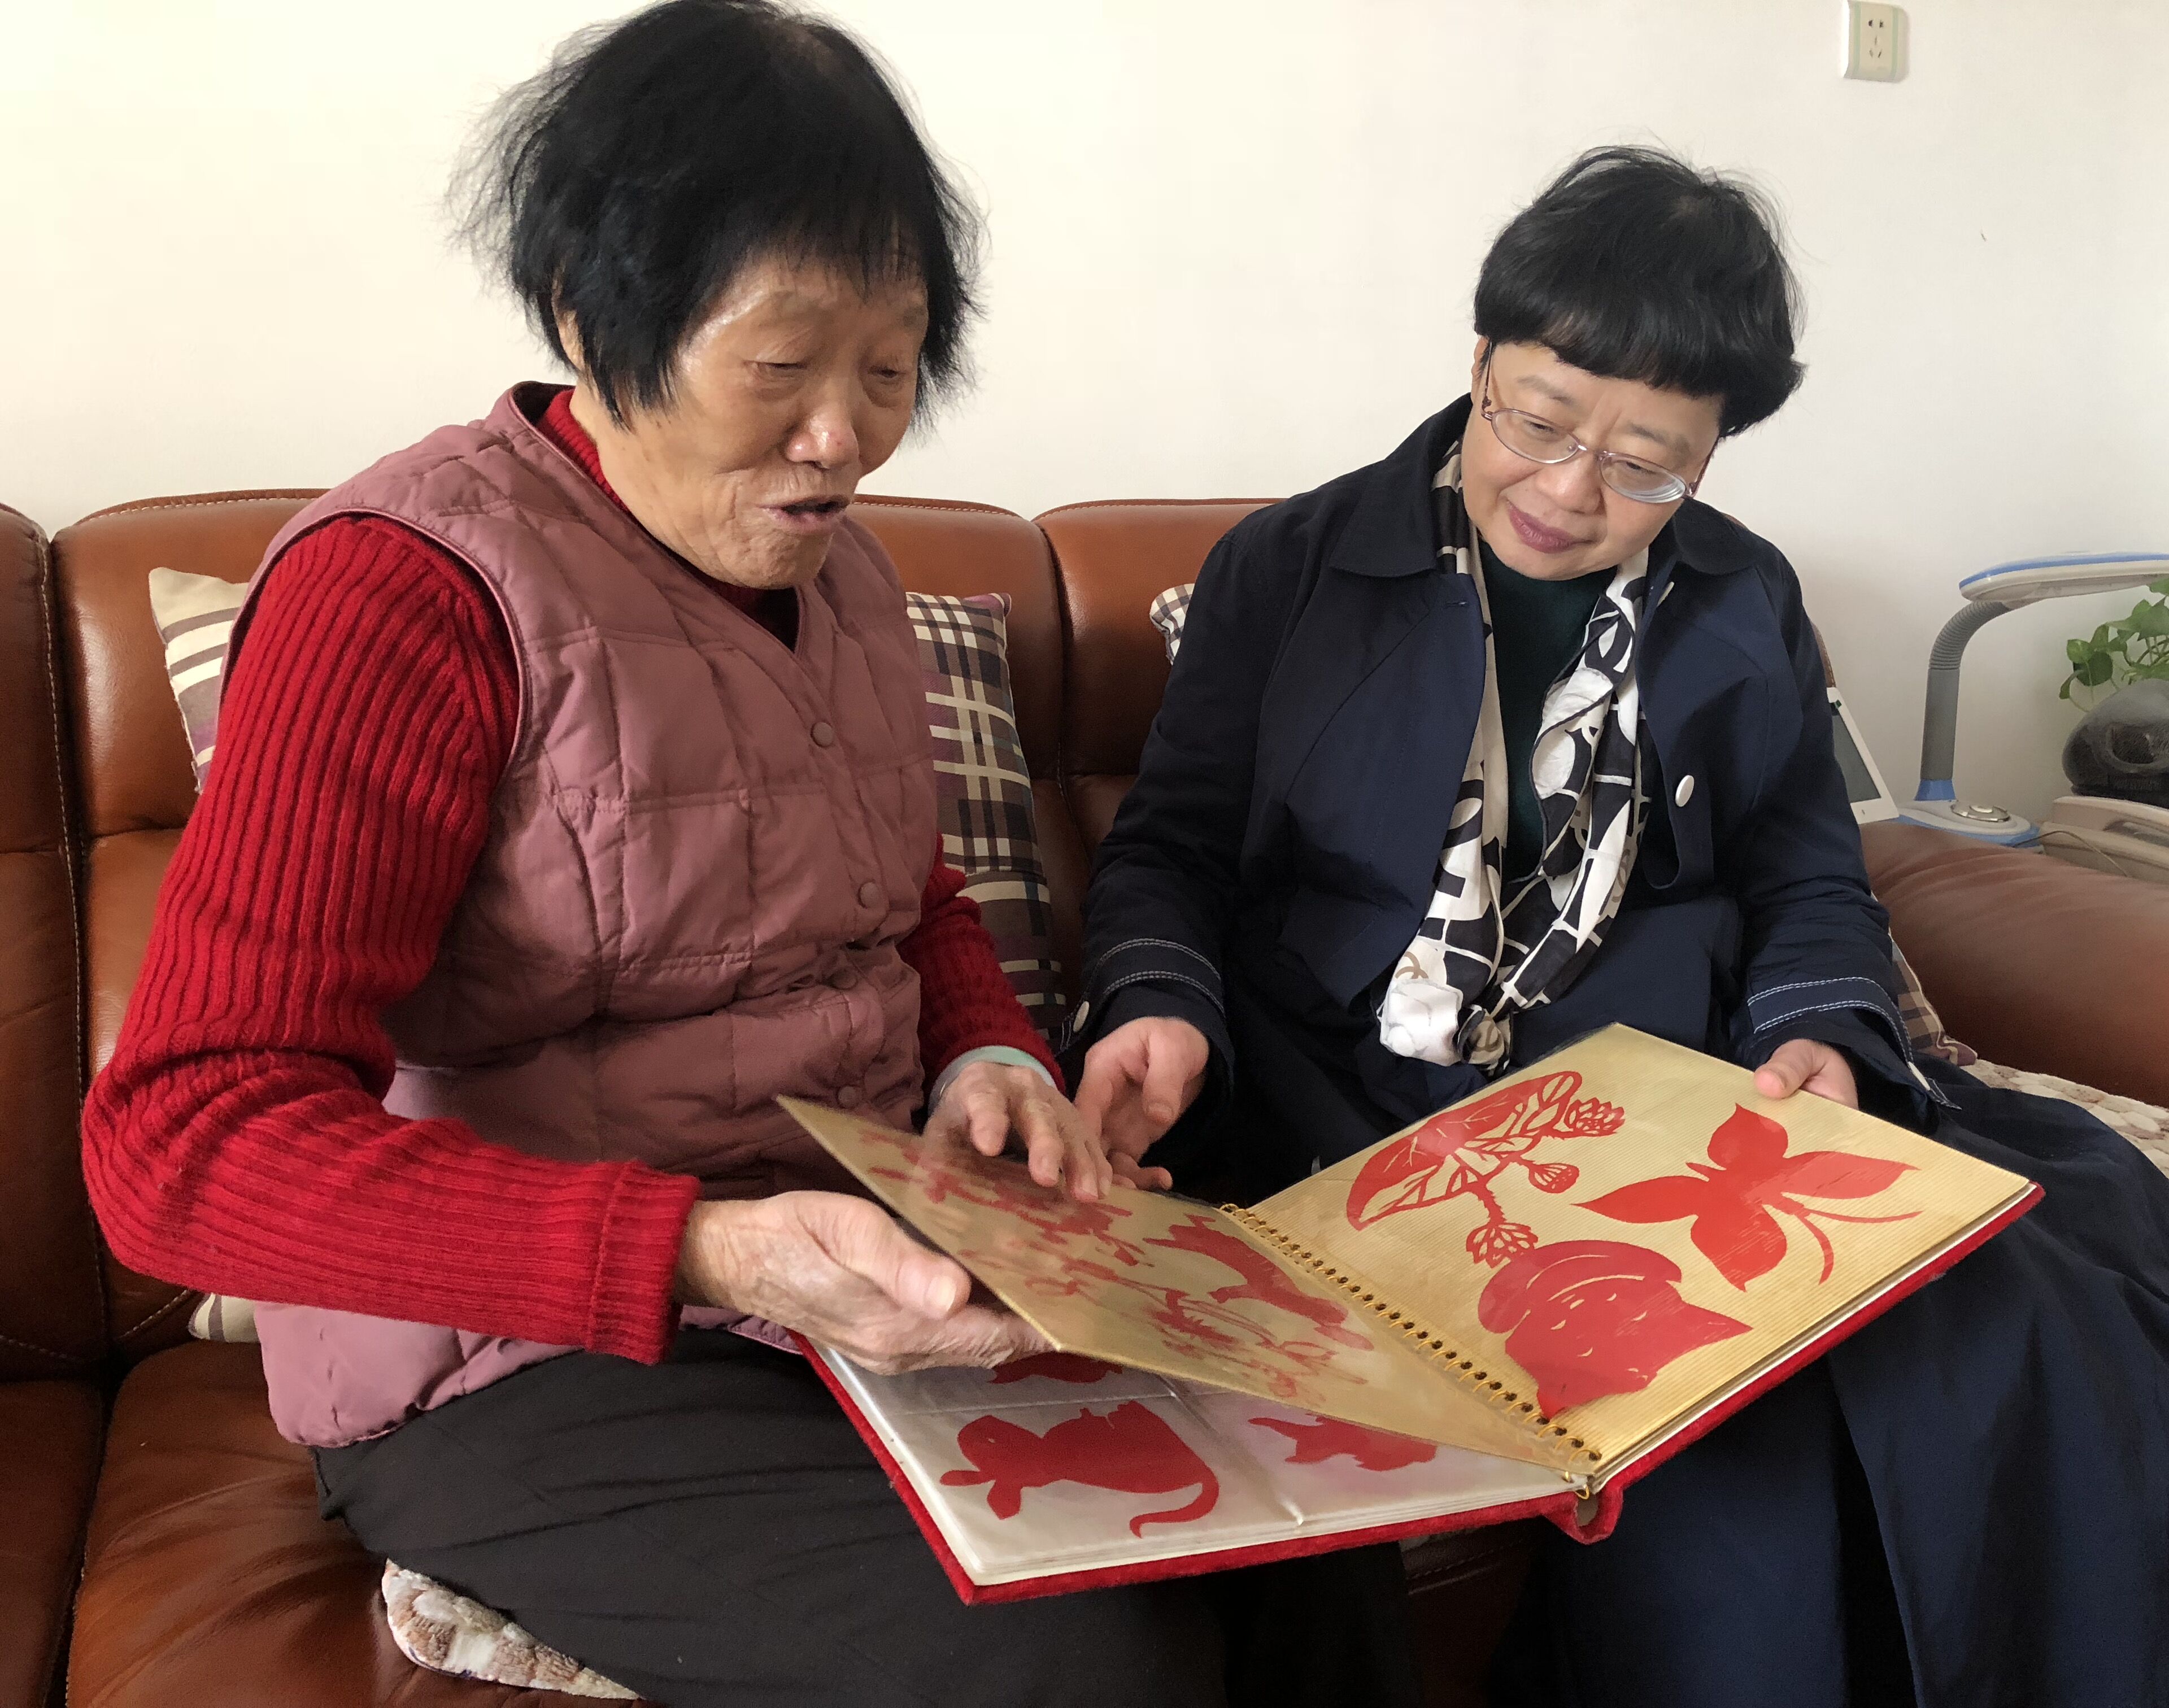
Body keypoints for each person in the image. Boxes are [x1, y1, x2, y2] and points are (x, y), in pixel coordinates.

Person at [80, 6, 1417, 1704]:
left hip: (853, 1264)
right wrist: (704, 1251)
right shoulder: (406, 593)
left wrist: (990, 1058)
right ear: (589, 316)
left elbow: (904, 902)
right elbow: (184, 1144)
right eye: (781, 368)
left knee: (1320, 1512)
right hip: (521, 1356)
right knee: (1082, 1660)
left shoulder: (849, 580)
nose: (843, 438)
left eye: (890, 370)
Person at [1073, 146, 2169, 1708]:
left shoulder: (1742, 593)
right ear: (1481, 365)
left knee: (2034, 1305)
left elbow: (1805, 870)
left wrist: (1820, 1027)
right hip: (1359, 1098)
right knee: (1714, 1432)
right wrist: (1156, 1004)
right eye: (1540, 420)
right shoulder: (1289, 570)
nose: (1573, 491)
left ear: (1712, 454)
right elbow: (1168, 850)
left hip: (1661, 1090)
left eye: (1648, 463)